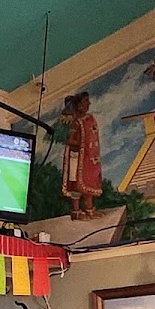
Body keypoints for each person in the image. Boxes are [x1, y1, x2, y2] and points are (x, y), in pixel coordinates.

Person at [61, 91, 103, 220]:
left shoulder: (89, 119)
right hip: (76, 157)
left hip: (89, 158)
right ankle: (76, 211)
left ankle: (89, 209)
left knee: (88, 181)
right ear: (79, 105)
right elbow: (69, 140)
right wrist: (80, 144)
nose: (89, 103)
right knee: (76, 184)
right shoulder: (74, 122)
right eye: (86, 101)